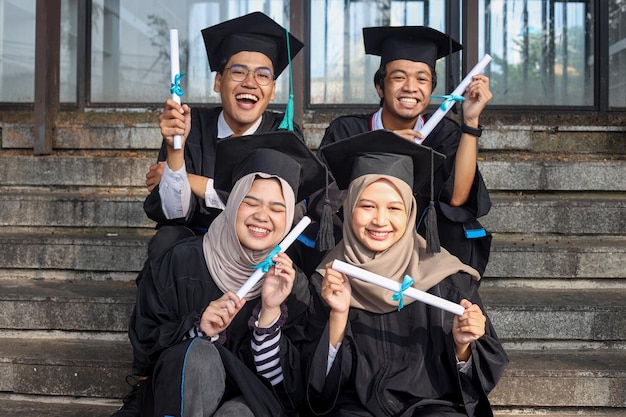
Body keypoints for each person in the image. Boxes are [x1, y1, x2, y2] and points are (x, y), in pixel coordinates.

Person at [112, 12, 305, 417]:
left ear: (272, 89)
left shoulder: (284, 136)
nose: (250, 83)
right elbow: (174, 210)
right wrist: (176, 151)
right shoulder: (189, 122)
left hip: (256, 255)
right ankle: (155, 371)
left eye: (263, 75)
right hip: (198, 255)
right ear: (218, 81)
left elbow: (282, 211)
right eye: (238, 71)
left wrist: (194, 181)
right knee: (168, 239)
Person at [303, 131, 508, 417]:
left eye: (394, 208)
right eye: (367, 206)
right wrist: (338, 315)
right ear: (347, 209)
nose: (380, 220)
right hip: (355, 409)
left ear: (410, 211)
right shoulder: (327, 280)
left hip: (432, 408)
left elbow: (475, 383)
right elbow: (315, 387)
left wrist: (462, 347)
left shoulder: (447, 277)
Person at [129, 131, 325, 417]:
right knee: (198, 355)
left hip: (254, 402)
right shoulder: (181, 261)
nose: (262, 215)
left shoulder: (292, 285)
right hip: (183, 398)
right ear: (232, 202)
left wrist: (269, 316)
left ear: (288, 220)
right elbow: (146, 349)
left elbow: (292, 389)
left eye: (277, 208)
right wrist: (197, 330)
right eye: (251, 201)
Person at [315, 25, 493, 276]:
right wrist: (383, 145)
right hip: (360, 243)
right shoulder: (347, 130)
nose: (411, 87)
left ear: (432, 89)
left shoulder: (444, 133)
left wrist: (470, 123)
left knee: (457, 227)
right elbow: (324, 198)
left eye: (422, 79)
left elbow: (457, 199)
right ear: (380, 86)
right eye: (399, 77)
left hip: (419, 249)